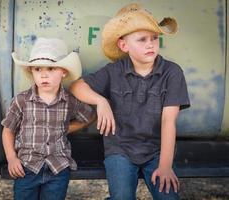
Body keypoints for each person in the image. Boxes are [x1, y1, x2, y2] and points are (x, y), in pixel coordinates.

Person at [70, 3, 190, 200]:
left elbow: (169, 121)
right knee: (123, 197)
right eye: (142, 39)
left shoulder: (172, 73)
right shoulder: (114, 71)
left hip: (156, 150)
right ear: (123, 45)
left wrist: (165, 166)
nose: (150, 44)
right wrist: (101, 101)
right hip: (121, 150)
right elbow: (76, 86)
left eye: (154, 38)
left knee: (168, 197)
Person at [1, 37, 95, 200]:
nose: (44, 75)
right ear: (32, 71)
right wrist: (11, 158)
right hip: (27, 167)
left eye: (51, 68)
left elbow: (90, 116)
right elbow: (8, 130)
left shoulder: (69, 101)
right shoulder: (21, 100)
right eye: (38, 69)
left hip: (57, 169)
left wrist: (67, 128)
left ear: (63, 71)